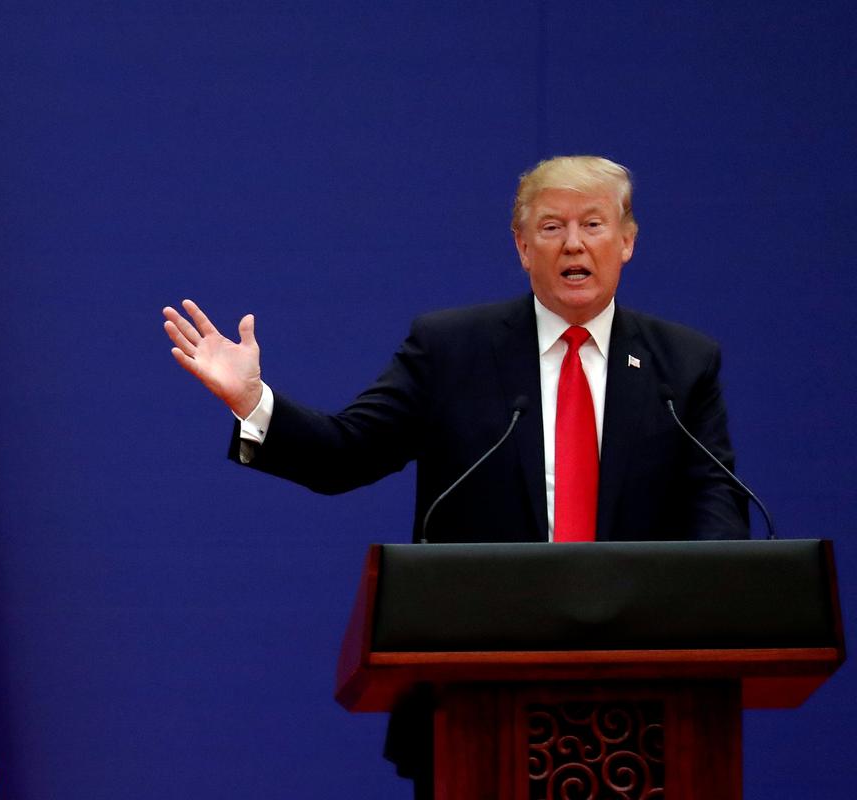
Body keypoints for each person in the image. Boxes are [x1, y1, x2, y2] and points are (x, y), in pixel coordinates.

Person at [162, 155, 749, 796]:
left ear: (627, 240)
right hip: (475, 710)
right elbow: (346, 452)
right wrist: (254, 402)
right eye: (551, 227)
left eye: (593, 224)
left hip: (646, 713)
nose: (574, 244)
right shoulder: (452, 350)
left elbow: (714, 502)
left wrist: (713, 598)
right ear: (523, 247)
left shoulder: (683, 365)